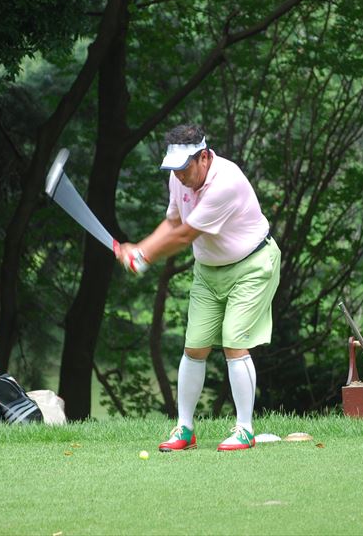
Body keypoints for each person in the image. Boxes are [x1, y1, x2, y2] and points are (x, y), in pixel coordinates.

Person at [115, 124, 281, 451]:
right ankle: (185, 430)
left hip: (252, 265)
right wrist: (141, 248)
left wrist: (142, 254)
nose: (178, 176)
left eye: (184, 168)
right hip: (208, 270)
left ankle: (245, 430)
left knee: (234, 340)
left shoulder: (226, 182)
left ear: (204, 157)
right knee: (194, 346)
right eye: (173, 170)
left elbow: (185, 235)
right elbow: (173, 222)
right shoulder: (178, 179)